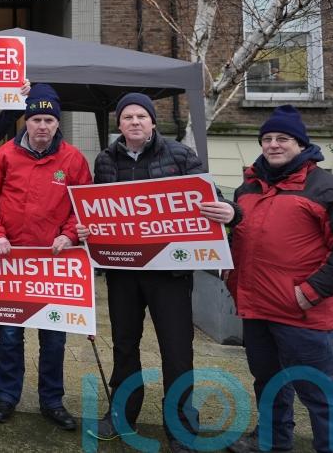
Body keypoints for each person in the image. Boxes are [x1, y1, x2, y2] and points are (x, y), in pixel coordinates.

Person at [78, 93, 236, 453]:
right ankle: (122, 414)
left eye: (141, 116)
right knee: (124, 345)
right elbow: (98, 208)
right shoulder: (105, 160)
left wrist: (228, 210)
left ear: (152, 121)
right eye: (128, 117)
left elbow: (208, 199)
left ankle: (180, 425)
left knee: (176, 349)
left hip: (169, 273)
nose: (134, 122)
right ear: (119, 124)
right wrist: (89, 229)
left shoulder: (180, 155)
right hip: (124, 271)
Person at [226, 106, 333, 453]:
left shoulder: (329, 190)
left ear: (301, 144)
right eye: (267, 139)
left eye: (283, 138)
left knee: (319, 392)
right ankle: (273, 442)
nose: (273, 145)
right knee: (269, 383)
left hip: (302, 312)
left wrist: (311, 291)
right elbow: (243, 236)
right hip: (256, 307)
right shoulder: (247, 188)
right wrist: (228, 270)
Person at [0, 84, 92, 430]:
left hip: (54, 263)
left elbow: (83, 206)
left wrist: (69, 235)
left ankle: (52, 401)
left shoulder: (73, 160)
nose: (42, 126)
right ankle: (6, 396)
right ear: (26, 121)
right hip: (11, 261)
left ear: (57, 123)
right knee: (10, 336)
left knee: (53, 338)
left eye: (49, 120)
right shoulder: (4, 156)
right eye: (36, 119)